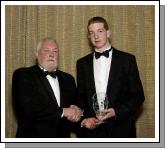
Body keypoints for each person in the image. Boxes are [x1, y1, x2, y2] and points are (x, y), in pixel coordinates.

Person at [76, 16, 145, 138]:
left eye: (100, 31)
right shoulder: (82, 63)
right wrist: (84, 120)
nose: (96, 36)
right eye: (92, 33)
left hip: (121, 130)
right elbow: (81, 97)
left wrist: (116, 111)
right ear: (88, 37)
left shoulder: (127, 60)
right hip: (92, 133)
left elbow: (138, 96)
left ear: (108, 32)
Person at [12, 37, 82, 138]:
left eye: (55, 51)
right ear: (37, 54)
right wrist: (63, 111)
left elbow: (76, 106)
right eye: (46, 51)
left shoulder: (68, 79)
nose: (52, 54)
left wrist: (79, 112)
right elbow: (28, 108)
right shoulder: (23, 75)